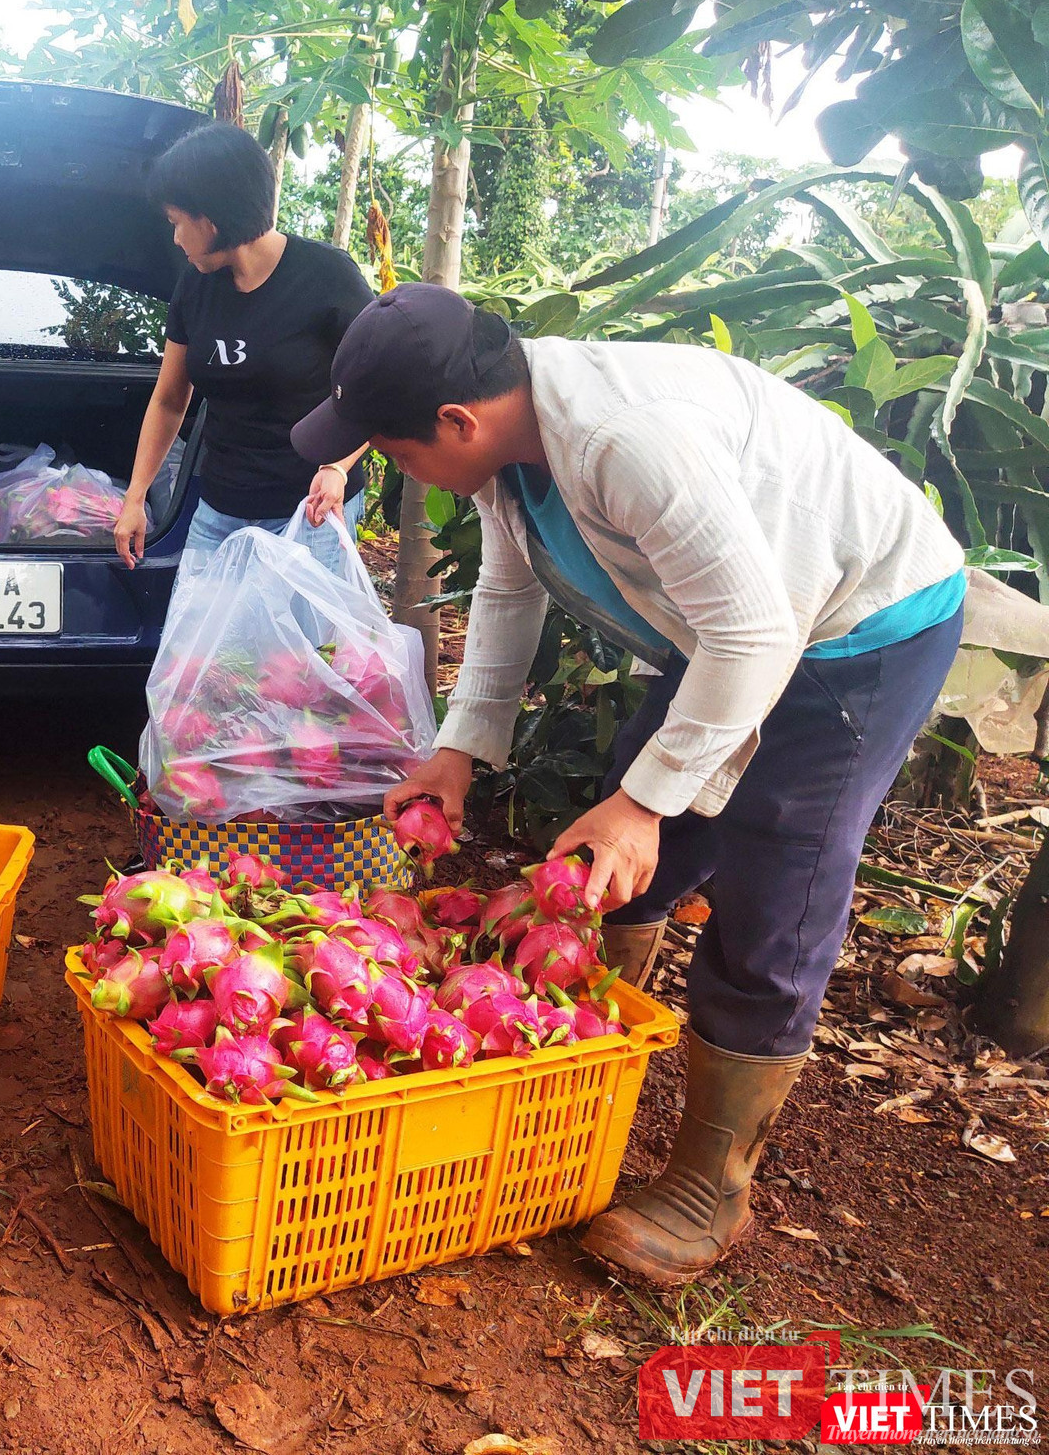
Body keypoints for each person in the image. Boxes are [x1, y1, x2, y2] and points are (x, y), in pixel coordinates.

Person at [296, 283, 965, 1286]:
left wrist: (649, 802)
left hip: (856, 628)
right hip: (730, 633)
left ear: (454, 422)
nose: (395, 471)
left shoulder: (623, 441)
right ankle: (589, 1062)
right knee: (619, 857)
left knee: (775, 879)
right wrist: (460, 748)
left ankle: (710, 1187)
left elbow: (759, 635)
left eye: (392, 453)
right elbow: (509, 587)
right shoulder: (512, 448)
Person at [113, 123, 375, 574]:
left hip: (311, 510)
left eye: (177, 222)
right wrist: (135, 496)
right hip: (219, 511)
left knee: (298, 648)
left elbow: (382, 384)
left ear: (212, 216)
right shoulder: (195, 285)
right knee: (199, 643)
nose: (174, 239)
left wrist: (339, 467)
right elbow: (170, 397)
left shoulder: (328, 277)